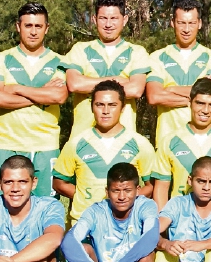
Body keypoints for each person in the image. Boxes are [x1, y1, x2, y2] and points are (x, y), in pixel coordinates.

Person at [0, 3, 67, 198]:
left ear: (47, 28)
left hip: (45, 146)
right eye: (28, 25)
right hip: (6, 144)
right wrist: (41, 94)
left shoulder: (61, 62)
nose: (33, 32)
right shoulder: (0, 60)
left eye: (38, 26)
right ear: (18, 26)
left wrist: (16, 89)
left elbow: (58, 96)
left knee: (46, 209)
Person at [53, 80, 155, 222]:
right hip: (83, 222)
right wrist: (83, 196)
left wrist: (125, 199)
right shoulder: (76, 143)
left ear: (123, 108)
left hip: (124, 223)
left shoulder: (140, 144)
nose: (106, 111)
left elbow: (151, 186)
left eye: (112, 105)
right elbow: (59, 182)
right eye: (99, 104)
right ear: (91, 107)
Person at [64, 0, 151, 137]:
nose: (108, 24)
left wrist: (88, 82)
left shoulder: (137, 52)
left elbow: (135, 89)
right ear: (94, 19)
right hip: (84, 137)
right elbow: (74, 84)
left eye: (114, 18)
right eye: (103, 18)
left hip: (124, 139)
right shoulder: (80, 49)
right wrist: (117, 80)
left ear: (124, 20)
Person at [153, 79, 211, 209]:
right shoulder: (170, 141)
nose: (205, 110)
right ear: (189, 103)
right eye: (200, 103)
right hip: (181, 221)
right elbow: (161, 188)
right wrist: (163, 225)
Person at [146, 0, 211, 144]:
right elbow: (154, 97)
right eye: (181, 23)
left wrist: (170, 89)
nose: (186, 29)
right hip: (167, 139)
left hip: (205, 140)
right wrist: (199, 98)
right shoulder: (157, 57)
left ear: (200, 24)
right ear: (172, 23)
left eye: (192, 23)